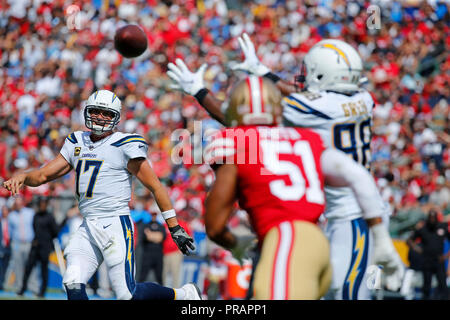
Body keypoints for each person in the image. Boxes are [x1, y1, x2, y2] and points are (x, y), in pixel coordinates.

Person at [167, 34, 405, 299]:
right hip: (338, 214)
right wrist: (264, 71)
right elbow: (306, 99)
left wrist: (201, 92)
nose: (302, 80)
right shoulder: (364, 98)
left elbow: (240, 117)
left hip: (348, 215)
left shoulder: (307, 114)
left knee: (346, 293)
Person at [3, 89, 201, 300]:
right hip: (88, 225)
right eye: (96, 111)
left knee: (128, 294)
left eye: (106, 114)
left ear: (115, 117)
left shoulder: (124, 144)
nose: (100, 117)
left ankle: (183, 294)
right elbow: (43, 175)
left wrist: (175, 227)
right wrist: (23, 177)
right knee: (72, 280)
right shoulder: (77, 141)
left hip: (115, 223)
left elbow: (156, 187)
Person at [18, 197, 62, 297]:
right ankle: (22, 289)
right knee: (28, 268)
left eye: (44, 204)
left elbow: (55, 231)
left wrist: (47, 240)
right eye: (40, 204)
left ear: (46, 205)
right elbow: (34, 228)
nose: (42, 206)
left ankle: (42, 292)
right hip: (35, 245)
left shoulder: (50, 217)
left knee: (43, 270)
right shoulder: (36, 215)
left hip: (45, 247)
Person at [407, 209, 450, 300]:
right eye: (430, 218)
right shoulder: (423, 229)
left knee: (443, 284)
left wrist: (446, 256)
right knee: (427, 285)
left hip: (439, 260)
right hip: (427, 260)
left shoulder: (442, 227)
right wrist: (418, 249)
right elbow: (410, 240)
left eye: (433, 218)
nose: (432, 220)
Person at [3, 196, 39, 293]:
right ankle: (20, 287)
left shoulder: (30, 213)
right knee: (17, 266)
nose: (18, 205)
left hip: (28, 243)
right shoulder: (11, 215)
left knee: (31, 265)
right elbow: (9, 231)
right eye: (16, 203)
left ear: (23, 203)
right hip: (17, 243)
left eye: (19, 202)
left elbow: (36, 226)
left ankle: (33, 287)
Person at [138, 211, 166, 284]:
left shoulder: (161, 226)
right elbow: (145, 237)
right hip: (147, 254)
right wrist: (155, 236)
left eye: (155, 215)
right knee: (142, 275)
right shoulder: (146, 225)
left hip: (158, 254)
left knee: (159, 276)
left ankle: (161, 294)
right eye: (152, 215)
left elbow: (161, 237)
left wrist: (150, 235)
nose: (154, 216)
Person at [0, 205, 11, 291]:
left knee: (5, 268)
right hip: (1, 247)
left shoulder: (11, 221)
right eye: (3, 210)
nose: (4, 212)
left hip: (9, 248)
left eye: (6, 210)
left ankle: (2, 284)